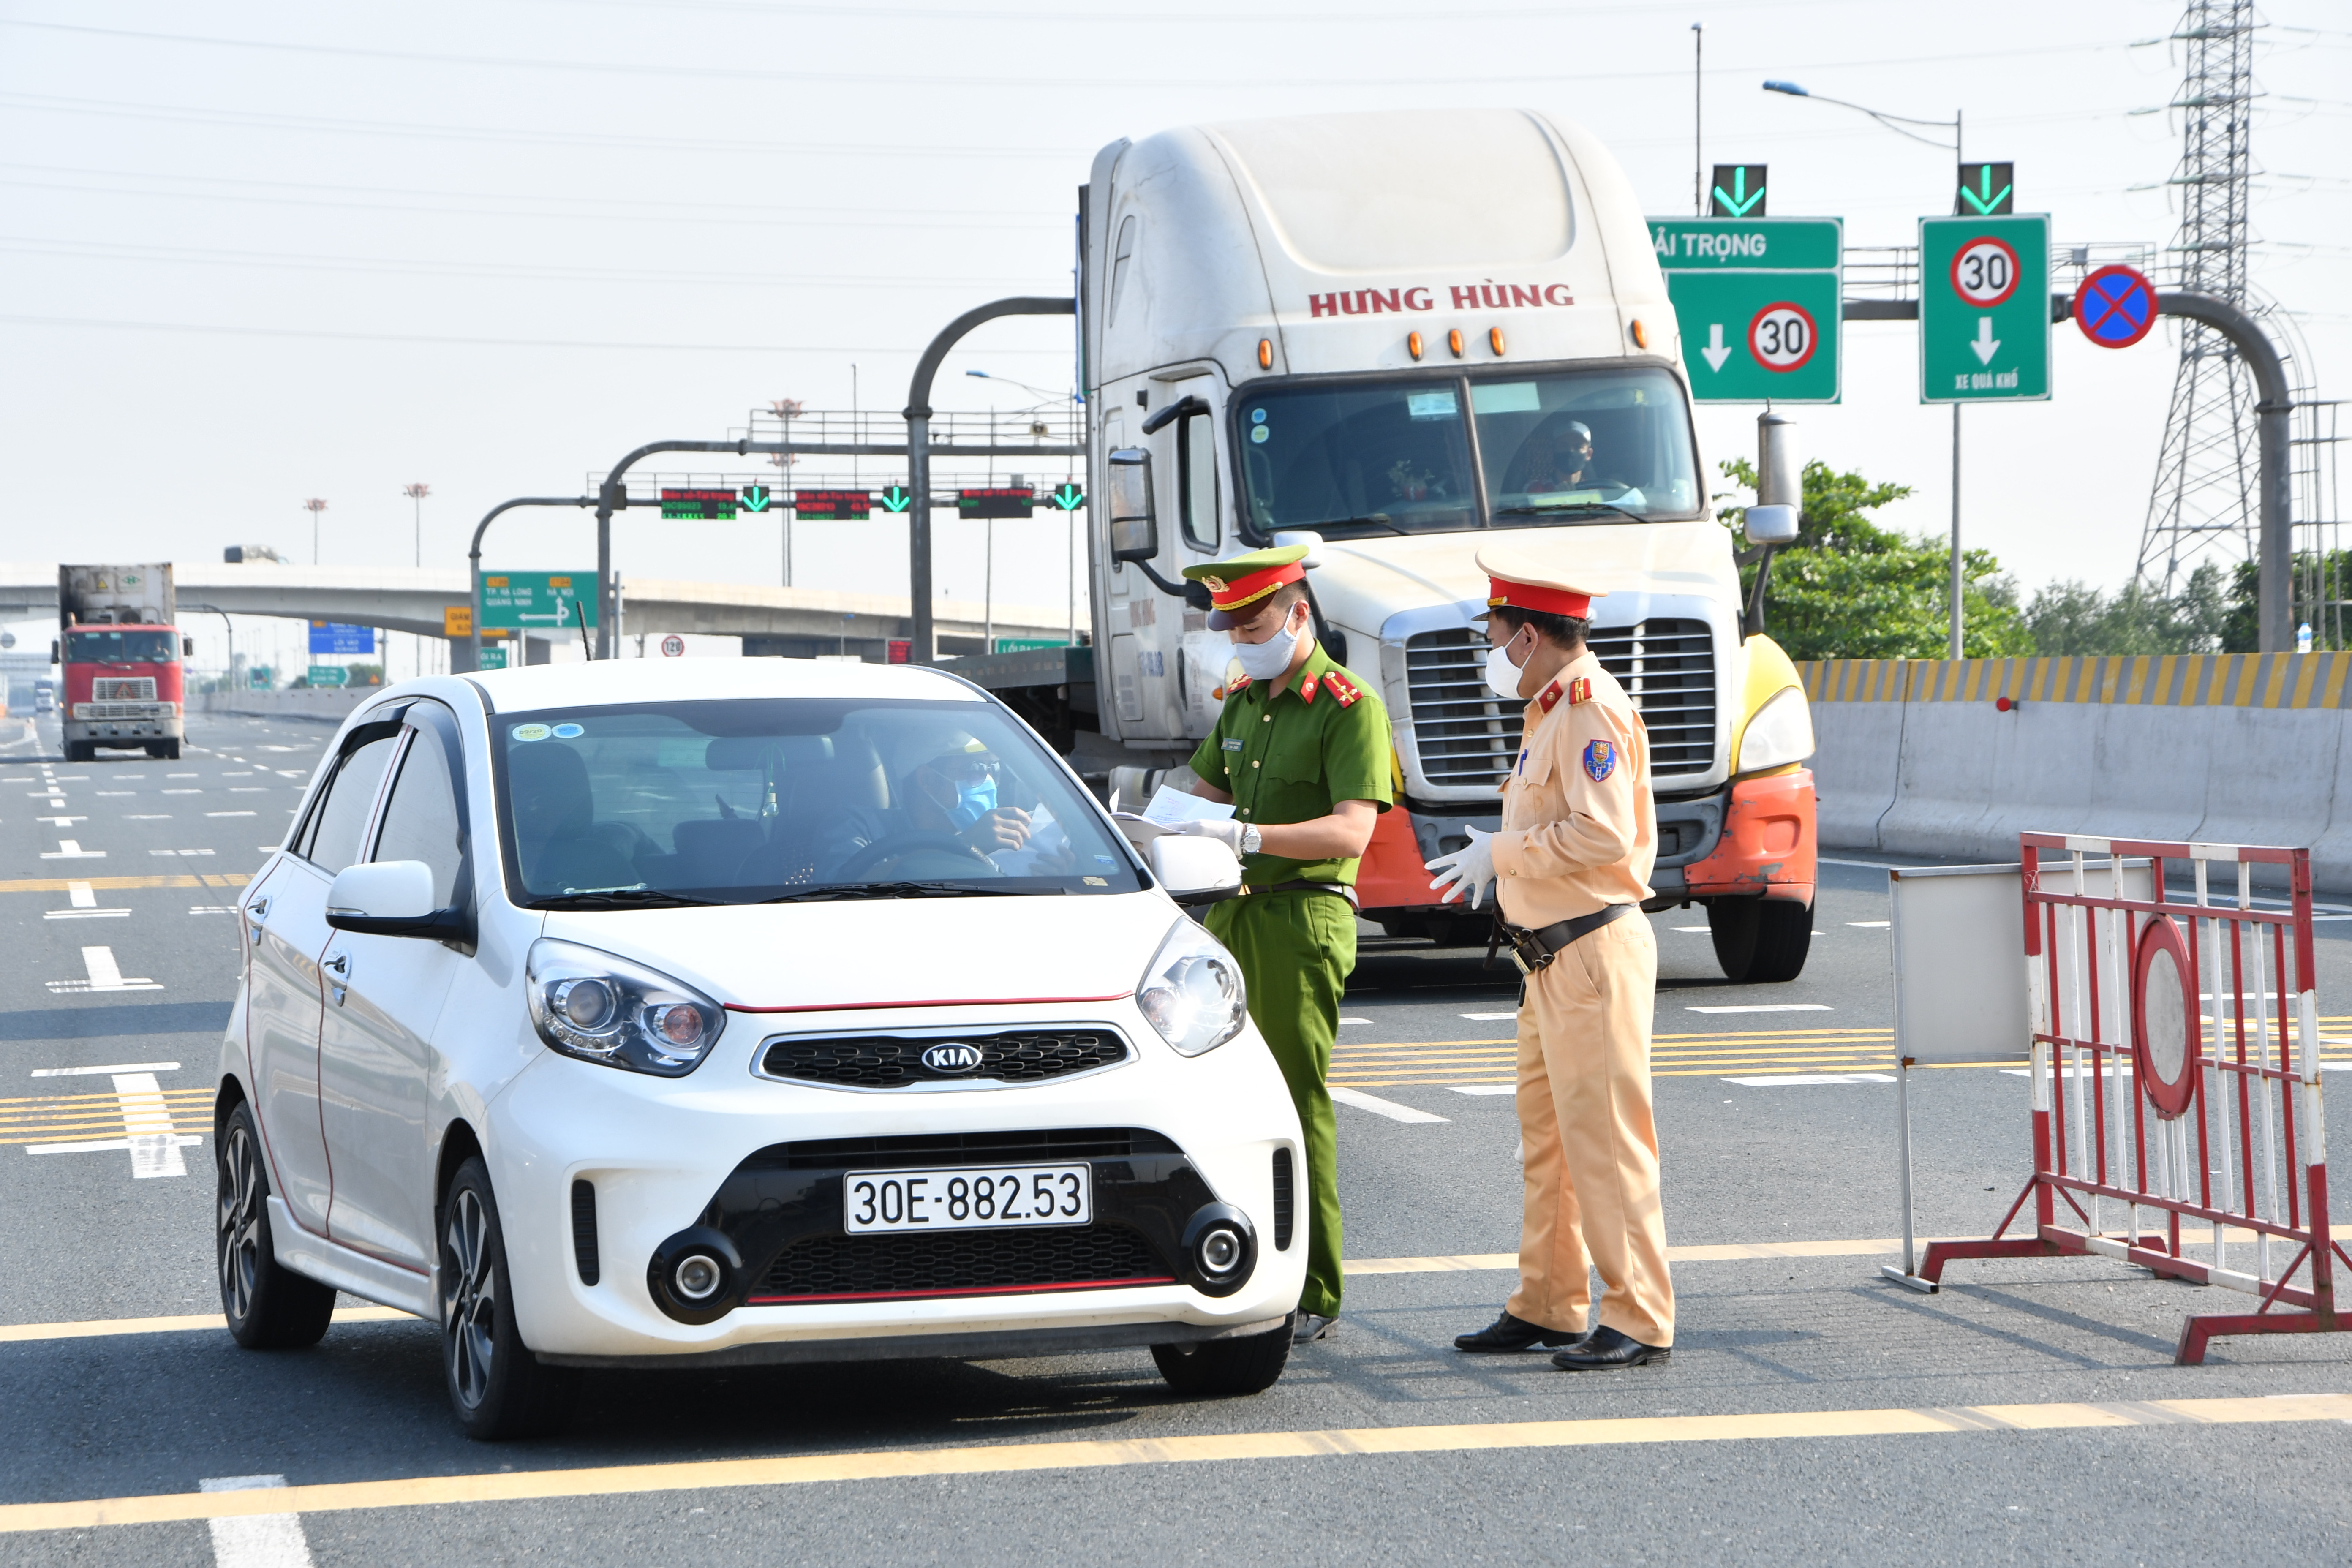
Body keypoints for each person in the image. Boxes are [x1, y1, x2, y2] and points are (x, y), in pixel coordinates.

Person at [1426, 542, 1674, 1371]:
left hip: (1592, 951)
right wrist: (1508, 856)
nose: (1491, 650)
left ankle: (1639, 1312)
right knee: (1553, 1143)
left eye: (1495, 632)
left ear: (1526, 637)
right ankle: (1550, 1300)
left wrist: (1505, 851)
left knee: (1605, 1139)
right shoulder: (1551, 710)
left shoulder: (1589, 708)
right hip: (1550, 959)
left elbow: (1604, 835)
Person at [1165, 544, 1394, 1345]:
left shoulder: (1346, 704)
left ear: (1298, 612)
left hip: (1302, 919)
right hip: (1230, 917)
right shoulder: (1245, 699)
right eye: (1230, 624)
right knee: (1217, 1105)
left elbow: (1351, 828)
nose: (1238, 637)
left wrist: (1247, 832)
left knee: (1296, 1105)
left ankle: (1315, 1288)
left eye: (1252, 621)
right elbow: (1198, 794)